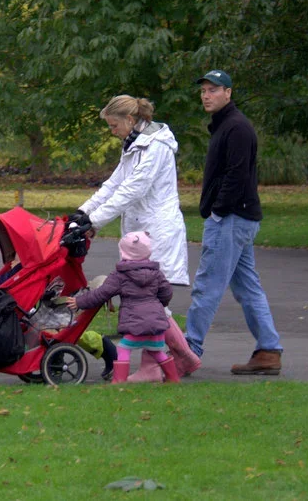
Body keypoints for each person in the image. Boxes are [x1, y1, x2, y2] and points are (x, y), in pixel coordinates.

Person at [185, 69, 283, 376]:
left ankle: (188, 351)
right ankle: (268, 351)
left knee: (207, 286)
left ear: (228, 92)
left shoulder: (236, 127)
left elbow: (237, 175)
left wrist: (218, 210)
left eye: (213, 89)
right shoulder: (225, 125)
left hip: (231, 218)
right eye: (204, 90)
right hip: (237, 217)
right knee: (248, 288)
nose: (206, 95)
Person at [70, 95, 189, 286]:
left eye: (114, 125)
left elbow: (133, 189)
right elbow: (114, 184)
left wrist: (94, 221)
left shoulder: (156, 146)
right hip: (140, 232)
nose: (112, 131)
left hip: (157, 230)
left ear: (130, 120)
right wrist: (83, 212)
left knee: (150, 295)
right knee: (137, 294)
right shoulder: (134, 145)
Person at [66, 231, 180, 383]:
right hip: (155, 321)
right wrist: (159, 305)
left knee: (123, 348)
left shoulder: (120, 276)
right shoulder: (156, 274)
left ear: (123, 252)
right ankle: (173, 378)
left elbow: (102, 293)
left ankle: (119, 380)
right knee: (156, 351)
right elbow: (167, 293)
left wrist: (79, 302)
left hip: (135, 322)